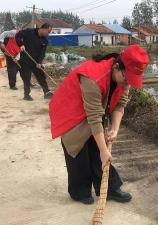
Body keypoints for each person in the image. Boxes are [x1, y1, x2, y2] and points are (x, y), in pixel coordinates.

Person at [49, 45, 149, 205]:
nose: (128, 83)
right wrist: (104, 150)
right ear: (117, 67)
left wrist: (114, 129)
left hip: (93, 109)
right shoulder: (93, 77)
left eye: (131, 79)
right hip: (70, 109)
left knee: (97, 148)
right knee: (77, 149)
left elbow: (120, 104)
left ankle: (109, 189)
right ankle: (80, 191)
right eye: (127, 77)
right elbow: (94, 117)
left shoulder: (124, 78)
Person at [16, 23, 53, 101]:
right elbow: (18, 35)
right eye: (48, 32)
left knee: (41, 75)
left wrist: (39, 62)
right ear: (43, 29)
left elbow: (42, 53)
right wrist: (21, 44)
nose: (48, 34)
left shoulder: (45, 41)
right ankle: (26, 95)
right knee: (26, 77)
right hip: (25, 59)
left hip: (35, 61)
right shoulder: (30, 32)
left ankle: (47, 92)